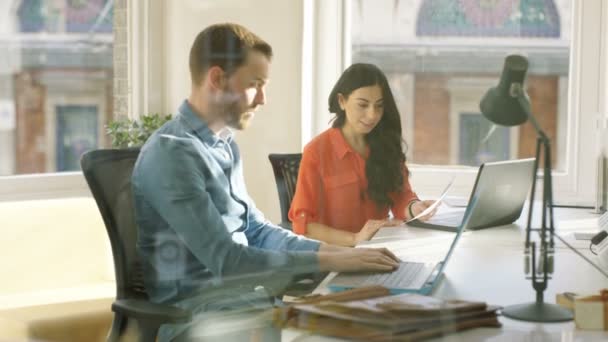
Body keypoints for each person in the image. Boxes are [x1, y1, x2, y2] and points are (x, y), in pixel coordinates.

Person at [131, 24, 400, 341]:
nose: (262, 99)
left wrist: (343, 252)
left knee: (382, 318)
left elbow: (256, 229)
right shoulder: (172, 154)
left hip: (251, 304)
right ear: (217, 79)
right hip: (201, 320)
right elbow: (227, 260)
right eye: (255, 84)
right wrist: (331, 258)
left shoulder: (224, 144)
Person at [289, 63, 437, 247]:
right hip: (335, 255)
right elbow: (304, 225)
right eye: (363, 105)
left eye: (379, 106)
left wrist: (414, 208)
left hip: (378, 248)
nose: (372, 115)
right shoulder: (316, 152)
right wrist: (355, 239)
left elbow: (400, 197)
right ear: (342, 101)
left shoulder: (386, 146)